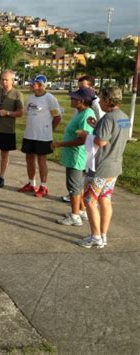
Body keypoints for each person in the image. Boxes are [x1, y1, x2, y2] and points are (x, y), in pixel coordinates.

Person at [76, 86, 131, 248]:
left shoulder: (108, 118)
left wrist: (85, 135)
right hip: (114, 166)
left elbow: (101, 141)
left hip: (100, 166)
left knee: (90, 201)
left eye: (100, 98)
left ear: (107, 100)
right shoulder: (124, 117)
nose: (98, 102)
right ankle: (103, 235)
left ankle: (95, 237)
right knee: (105, 199)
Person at [51, 88, 97, 226]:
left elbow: (83, 139)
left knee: (73, 186)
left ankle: (75, 216)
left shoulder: (87, 115)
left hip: (77, 156)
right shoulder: (81, 113)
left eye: (73, 98)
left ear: (81, 101)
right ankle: (81, 210)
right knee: (76, 185)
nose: (71, 100)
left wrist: (60, 144)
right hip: (73, 155)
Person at [60, 74, 104, 203]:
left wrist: (60, 144)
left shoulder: (94, 106)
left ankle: (78, 207)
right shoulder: (80, 109)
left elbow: (98, 125)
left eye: (83, 88)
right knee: (77, 181)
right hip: (78, 148)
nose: (75, 95)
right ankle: (78, 201)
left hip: (84, 149)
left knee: (79, 180)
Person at [18, 74, 62, 197]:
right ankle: (31, 183)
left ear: (41, 85)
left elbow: (57, 117)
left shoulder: (50, 99)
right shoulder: (30, 98)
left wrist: (49, 130)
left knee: (42, 160)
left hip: (43, 136)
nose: (31, 85)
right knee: (29, 158)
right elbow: (27, 113)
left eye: (34, 83)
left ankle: (44, 186)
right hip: (29, 134)